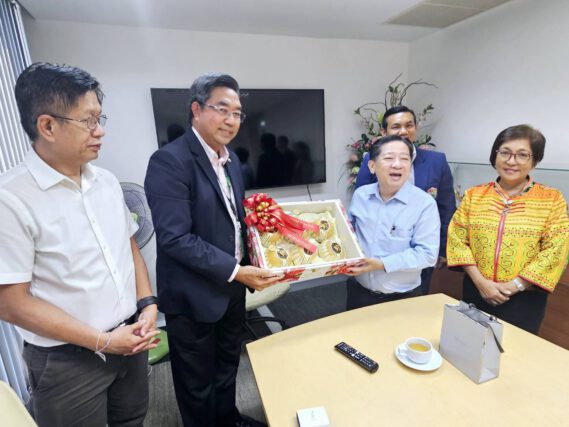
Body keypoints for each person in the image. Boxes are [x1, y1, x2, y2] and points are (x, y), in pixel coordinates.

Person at [0, 62, 159, 427]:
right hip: (67, 360)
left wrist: (147, 303)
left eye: (100, 119)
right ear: (47, 126)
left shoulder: (106, 181)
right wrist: (102, 341)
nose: (100, 131)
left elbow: (129, 247)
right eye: (88, 121)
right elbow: (10, 303)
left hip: (130, 336)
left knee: (132, 419)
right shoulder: (10, 199)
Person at [144, 72, 281, 427]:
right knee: (196, 382)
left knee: (226, 365)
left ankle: (228, 419)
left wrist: (263, 248)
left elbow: (233, 221)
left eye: (237, 113)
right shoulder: (169, 161)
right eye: (222, 109)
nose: (231, 120)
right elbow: (175, 238)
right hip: (193, 295)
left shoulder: (230, 159)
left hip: (231, 288)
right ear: (196, 110)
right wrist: (236, 270)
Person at [447, 125, 569, 334]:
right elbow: (457, 239)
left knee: (516, 350)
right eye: (505, 152)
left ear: (534, 160)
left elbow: (557, 249)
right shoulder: (475, 195)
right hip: (476, 290)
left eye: (522, 155)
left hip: (524, 300)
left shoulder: (551, 199)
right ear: (495, 155)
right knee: (468, 343)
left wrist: (515, 286)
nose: (511, 161)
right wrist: (481, 283)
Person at [355, 106, 456, 295]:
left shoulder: (435, 165)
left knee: (417, 289)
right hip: (371, 266)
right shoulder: (371, 163)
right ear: (384, 132)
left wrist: (442, 250)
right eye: (396, 126)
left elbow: (446, 207)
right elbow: (360, 209)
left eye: (409, 125)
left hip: (419, 250)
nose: (404, 131)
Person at [346, 135, 440, 310]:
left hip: (402, 299)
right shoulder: (361, 195)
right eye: (389, 158)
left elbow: (427, 254)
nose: (397, 164)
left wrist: (381, 264)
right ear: (372, 166)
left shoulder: (424, 204)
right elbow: (349, 233)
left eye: (404, 159)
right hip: (358, 291)